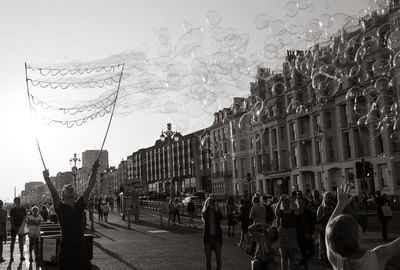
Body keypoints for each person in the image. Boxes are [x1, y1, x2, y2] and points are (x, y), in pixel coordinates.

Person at [326, 184, 400, 270]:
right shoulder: (377, 256)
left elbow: (328, 233)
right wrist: (341, 204)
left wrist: (340, 204)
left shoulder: (337, 261)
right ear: (359, 232)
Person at [43, 159, 100, 270]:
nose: (70, 189)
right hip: (66, 249)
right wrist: (47, 179)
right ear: (62, 195)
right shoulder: (60, 207)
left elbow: (90, 185)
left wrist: (94, 169)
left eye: (71, 188)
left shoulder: (80, 204)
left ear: (74, 194)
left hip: (80, 247)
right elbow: (54, 193)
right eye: (67, 189)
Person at [274, 194, 299, 270]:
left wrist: (291, 199)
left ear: (289, 203)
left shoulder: (292, 211)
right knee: (283, 256)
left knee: (291, 257)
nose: (285, 204)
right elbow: (276, 212)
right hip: (282, 233)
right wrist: (279, 200)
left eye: (287, 202)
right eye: (283, 203)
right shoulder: (281, 212)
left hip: (292, 233)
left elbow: (297, 212)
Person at [202, 197, 223, 270]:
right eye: (210, 204)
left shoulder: (217, 213)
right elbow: (204, 216)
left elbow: (221, 217)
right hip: (208, 238)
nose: (212, 205)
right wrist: (208, 208)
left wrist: (218, 208)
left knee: (218, 259)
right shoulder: (206, 213)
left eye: (212, 204)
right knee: (208, 260)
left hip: (217, 238)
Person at [317, 191, 336, 264]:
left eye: (330, 197)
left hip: (333, 229)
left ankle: (334, 263)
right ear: (324, 198)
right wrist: (324, 215)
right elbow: (317, 220)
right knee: (326, 248)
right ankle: (328, 265)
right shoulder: (321, 208)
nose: (329, 198)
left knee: (334, 247)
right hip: (324, 230)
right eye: (327, 197)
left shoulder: (334, 206)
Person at [295, 197, 315, 270]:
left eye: (301, 203)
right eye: (298, 203)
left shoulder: (308, 212)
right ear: (296, 204)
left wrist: (311, 233)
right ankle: (305, 267)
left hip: (309, 234)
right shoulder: (295, 213)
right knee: (303, 253)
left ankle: (299, 264)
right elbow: (296, 226)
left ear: (304, 203)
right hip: (300, 236)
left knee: (312, 252)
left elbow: (312, 222)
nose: (300, 204)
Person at [9, 197, 27, 262]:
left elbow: (24, 219)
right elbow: (11, 219)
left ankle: (22, 256)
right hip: (14, 227)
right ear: (14, 202)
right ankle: (11, 256)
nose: (17, 202)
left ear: (20, 201)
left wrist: (22, 227)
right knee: (12, 242)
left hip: (20, 227)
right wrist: (13, 226)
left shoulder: (23, 209)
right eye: (16, 201)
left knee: (21, 242)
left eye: (18, 201)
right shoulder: (12, 210)